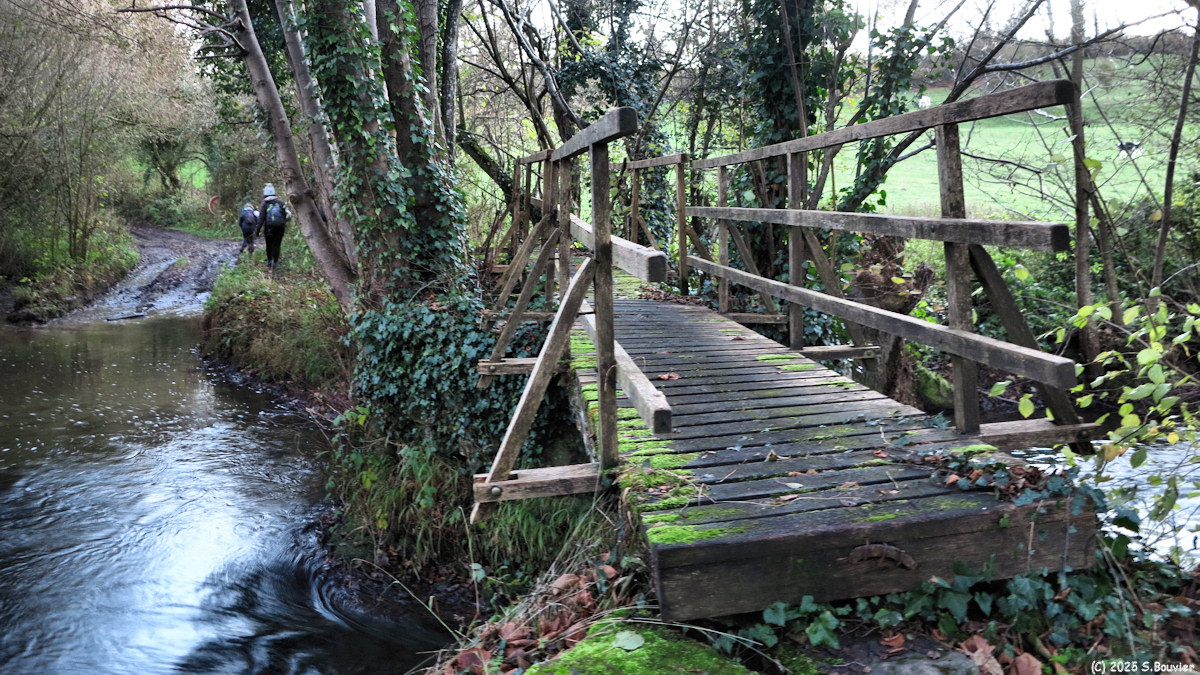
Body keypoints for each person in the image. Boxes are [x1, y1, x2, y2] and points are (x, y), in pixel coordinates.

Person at [258, 183, 288, 270]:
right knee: (277, 244)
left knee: (269, 244)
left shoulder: (265, 204)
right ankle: (275, 262)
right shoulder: (281, 203)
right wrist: (283, 223)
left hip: (269, 227)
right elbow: (286, 215)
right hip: (280, 227)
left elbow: (261, 218)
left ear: (265, 193)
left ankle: (269, 261)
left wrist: (258, 229)